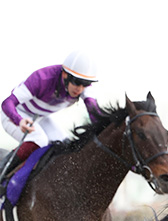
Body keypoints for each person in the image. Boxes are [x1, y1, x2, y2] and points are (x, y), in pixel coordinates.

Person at [0, 50, 100, 182]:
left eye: (85, 83)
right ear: (64, 74)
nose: (80, 89)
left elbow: (95, 115)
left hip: (40, 117)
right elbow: (7, 103)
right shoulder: (42, 78)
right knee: (39, 139)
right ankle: (2, 172)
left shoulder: (83, 88)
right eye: (76, 82)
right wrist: (19, 120)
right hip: (14, 114)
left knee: (65, 144)